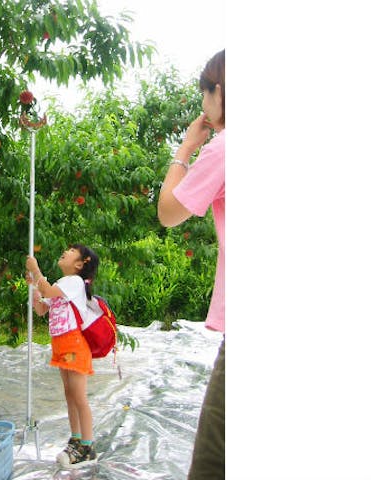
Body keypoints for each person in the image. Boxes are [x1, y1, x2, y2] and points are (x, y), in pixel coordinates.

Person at [157, 49, 225, 479]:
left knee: (213, 461)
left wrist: (185, 147)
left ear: (218, 91)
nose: (203, 105)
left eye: (205, 93)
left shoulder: (225, 148)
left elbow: (168, 212)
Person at [25, 244, 100, 468]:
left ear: (79, 264)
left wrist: (37, 271)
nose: (65, 251)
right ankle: (75, 439)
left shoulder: (74, 282)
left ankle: (87, 446)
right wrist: (33, 289)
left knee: (78, 396)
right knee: (69, 394)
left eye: (71, 250)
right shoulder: (61, 283)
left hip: (74, 346)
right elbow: (41, 308)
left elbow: (48, 291)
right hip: (61, 347)